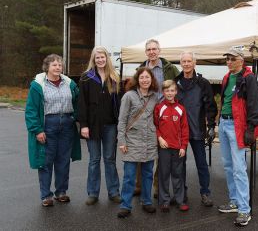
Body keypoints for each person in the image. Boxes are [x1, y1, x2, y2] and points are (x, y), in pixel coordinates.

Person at [25, 54, 81, 207]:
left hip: (67, 126)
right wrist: (37, 130)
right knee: (46, 161)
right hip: (48, 125)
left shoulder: (69, 84)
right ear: (47, 67)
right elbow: (30, 110)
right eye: (54, 65)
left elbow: (78, 103)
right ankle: (46, 195)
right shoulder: (38, 85)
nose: (58, 67)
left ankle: (61, 192)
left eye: (60, 65)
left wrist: (76, 118)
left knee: (63, 161)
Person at [217, 47, 258, 226]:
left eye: (232, 58)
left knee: (239, 168)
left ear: (241, 60)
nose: (228, 61)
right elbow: (225, 100)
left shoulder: (249, 78)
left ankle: (244, 210)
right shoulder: (227, 77)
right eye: (227, 58)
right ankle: (234, 201)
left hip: (237, 126)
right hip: (224, 123)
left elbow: (254, 104)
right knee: (228, 166)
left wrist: (251, 128)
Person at [135, 39, 180, 198]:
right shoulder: (141, 69)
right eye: (149, 49)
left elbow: (178, 89)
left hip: (164, 115)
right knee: (143, 149)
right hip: (145, 115)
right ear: (146, 52)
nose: (152, 52)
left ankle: (156, 186)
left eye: (154, 49)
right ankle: (139, 185)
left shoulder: (170, 68)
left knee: (162, 153)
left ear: (159, 50)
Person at [78, 46, 121, 205]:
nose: (100, 60)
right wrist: (83, 125)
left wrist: (119, 126)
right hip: (92, 125)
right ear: (93, 59)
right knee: (94, 160)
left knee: (110, 159)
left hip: (110, 126)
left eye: (103, 57)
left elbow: (119, 103)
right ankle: (93, 193)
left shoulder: (114, 77)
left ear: (107, 58)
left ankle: (114, 191)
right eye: (97, 57)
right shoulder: (86, 78)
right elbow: (82, 103)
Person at [175, 52, 217, 206]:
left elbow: (210, 106)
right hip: (179, 132)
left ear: (194, 63)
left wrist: (211, 125)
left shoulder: (202, 83)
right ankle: (181, 193)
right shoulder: (176, 82)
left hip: (197, 130)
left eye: (189, 61)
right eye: (184, 61)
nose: (186, 64)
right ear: (181, 63)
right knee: (180, 164)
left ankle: (205, 193)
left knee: (201, 163)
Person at [116, 67, 159, 218]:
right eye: (142, 78)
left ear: (151, 79)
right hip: (132, 141)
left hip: (149, 141)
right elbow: (122, 121)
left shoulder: (155, 97)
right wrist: (121, 141)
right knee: (129, 176)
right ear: (137, 80)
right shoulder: (129, 96)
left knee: (148, 174)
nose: (145, 80)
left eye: (147, 77)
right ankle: (125, 205)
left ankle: (146, 201)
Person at [154, 80, 189, 212]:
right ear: (163, 92)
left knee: (178, 174)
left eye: (172, 90)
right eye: (167, 90)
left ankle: (180, 200)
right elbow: (155, 126)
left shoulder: (181, 109)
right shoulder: (159, 107)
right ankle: (164, 201)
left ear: (176, 92)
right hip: (164, 148)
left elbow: (185, 129)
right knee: (163, 174)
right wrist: (159, 138)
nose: (170, 93)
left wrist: (183, 146)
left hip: (178, 148)